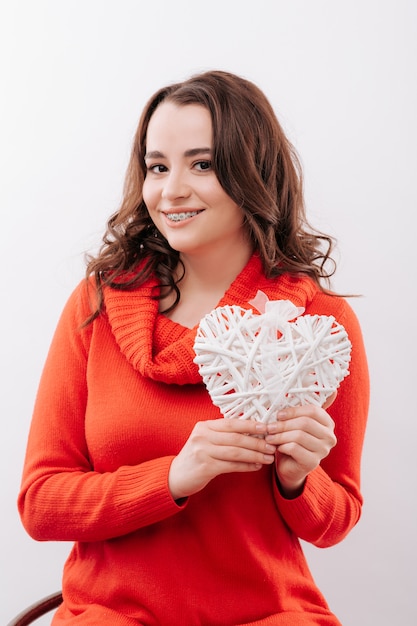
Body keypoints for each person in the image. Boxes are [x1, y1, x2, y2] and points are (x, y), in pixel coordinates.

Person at [18, 70, 369, 625]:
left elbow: (338, 519)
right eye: (157, 167)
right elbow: (41, 504)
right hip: (111, 616)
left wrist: (298, 478)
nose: (170, 190)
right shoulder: (96, 307)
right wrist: (173, 477)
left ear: (255, 172)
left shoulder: (319, 324)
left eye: (201, 164)